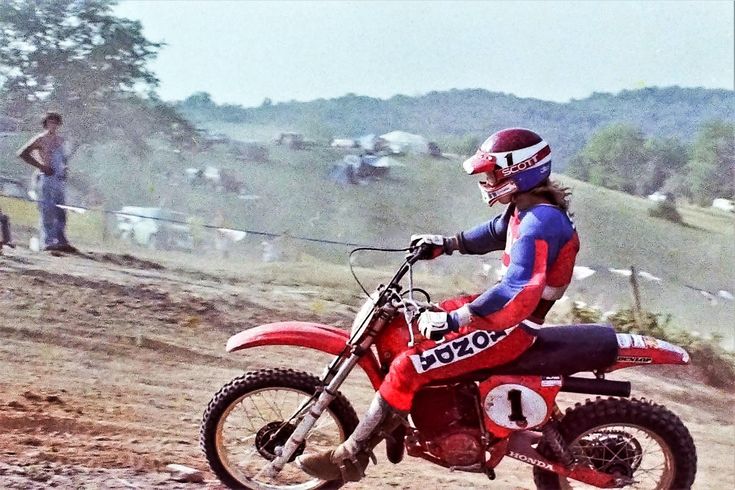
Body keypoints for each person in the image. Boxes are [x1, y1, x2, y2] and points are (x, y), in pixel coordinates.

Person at [297, 128, 580, 482]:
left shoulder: (540, 221)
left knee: (408, 368)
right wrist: (446, 244)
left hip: (512, 326)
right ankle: (401, 420)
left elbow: (518, 287)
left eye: (493, 172)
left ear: (517, 171)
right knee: (412, 326)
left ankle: (349, 458)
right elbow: (493, 233)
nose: (487, 180)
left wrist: (460, 318)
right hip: (504, 314)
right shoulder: (527, 209)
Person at [16, 112, 77, 253]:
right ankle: (48, 241)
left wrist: (65, 169)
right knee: (47, 210)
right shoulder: (40, 139)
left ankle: (61, 240)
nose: (53, 125)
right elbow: (22, 153)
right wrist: (41, 166)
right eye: (51, 122)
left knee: (61, 210)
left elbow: (64, 159)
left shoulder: (61, 140)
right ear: (46, 123)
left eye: (56, 122)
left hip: (59, 179)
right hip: (47, 177)